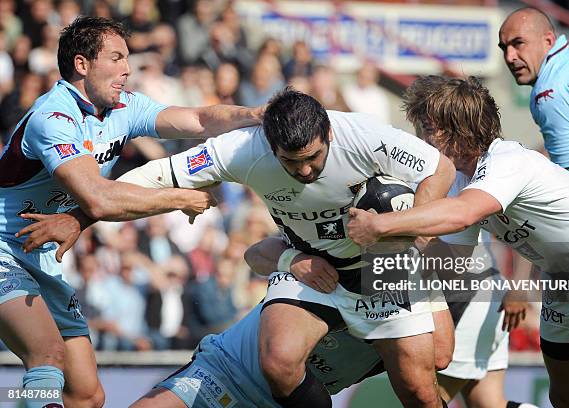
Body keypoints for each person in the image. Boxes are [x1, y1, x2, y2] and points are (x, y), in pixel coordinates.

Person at [27, 88, 456, 407]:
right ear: (271, 146)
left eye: (314, 157)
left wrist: (397, 228)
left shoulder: (361, 133)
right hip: (311, 267)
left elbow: (440, 168)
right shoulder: (241, 149)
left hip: (382, 264)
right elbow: (159, 174)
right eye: (292, 163)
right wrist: (81, 218)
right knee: (279, 360)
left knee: (422, 386)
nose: (305, 170)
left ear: (328, 131)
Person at [0, 16, 262, 407]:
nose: (127, 68)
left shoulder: (125, 107)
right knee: (47, 357)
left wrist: (256, 115)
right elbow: (99, 199)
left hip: (42, 254)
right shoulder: (52, 119)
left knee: (86, 394)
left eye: (129, 58)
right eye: (117, 57)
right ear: (82, 64)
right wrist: (178, 197)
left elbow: (199, 119)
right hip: (3, 249)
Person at [348, 75, 569, 408]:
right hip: (561, 285)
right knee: (567, 401)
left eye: (427, 129)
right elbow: (450, 258)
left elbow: (461, 214)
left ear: (456, 130)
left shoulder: (507, 161)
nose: (420, 138)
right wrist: (369, 267)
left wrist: (381, 224)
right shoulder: (463, 180)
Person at [130, 303, 384, 408]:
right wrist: (290, 258)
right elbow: (258, 253)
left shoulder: (414, 330)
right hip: (224, 372)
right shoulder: (341, 256)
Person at [498, 7, 569, 209]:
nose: (509, 57)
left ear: (548, 41)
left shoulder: (548, 92)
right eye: (504, 48)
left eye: (518, 43)